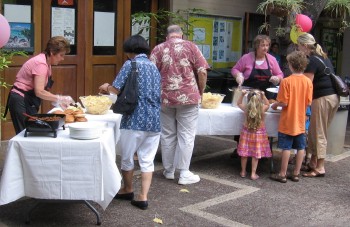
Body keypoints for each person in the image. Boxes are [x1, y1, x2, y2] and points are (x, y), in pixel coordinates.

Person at [99, 35, 161, 210]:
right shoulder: (154, 67)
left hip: (133, 119)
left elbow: (115, 89)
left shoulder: (130, 64)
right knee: (147, 160)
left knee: (127, 158)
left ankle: (127, 189)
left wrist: (105, 87)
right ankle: (143, 196)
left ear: (129, 51)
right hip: (154, 121)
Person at [150, 25, 209, 185]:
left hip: (165, 98)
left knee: (167, 134)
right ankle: (184, 173)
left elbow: (151, 75)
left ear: (167, 35)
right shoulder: (191, 46)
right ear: (181, 35)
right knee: (186, 135)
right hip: (188, 97)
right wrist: (201, 91)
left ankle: (168, 170)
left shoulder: (158, 49)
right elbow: (202, 71)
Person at [4, 36, 74, 134]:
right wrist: (59, 98)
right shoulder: (40, 64)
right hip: (20, 100)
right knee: (26, 134)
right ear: (52, 52)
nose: (62, 58)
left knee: (33, 133)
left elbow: (42, 90)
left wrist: (57, 101)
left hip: (29, 101)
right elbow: (39, 91)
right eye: (61, 55)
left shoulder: (46, 62)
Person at [231, 35, 284, 156]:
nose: (265, 48)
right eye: (262, 45)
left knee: (263, 124)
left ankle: (262, 148)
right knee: (244, 122)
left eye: (267, 45)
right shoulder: (247, 58)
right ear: (256, 46)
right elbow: (235, 69)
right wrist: (239, 75)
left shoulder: (271, 59)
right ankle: (241, 147)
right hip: (248, 97)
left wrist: (277, 78)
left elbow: (280, 74)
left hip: (265, 97)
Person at [297, 33, 340, 178]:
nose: (298, 49)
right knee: (317, 130)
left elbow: (307, 84)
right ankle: (313, 163)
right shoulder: (323, 57)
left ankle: (320, 167)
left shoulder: (312, 61)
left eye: (298, 46)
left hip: (322, 98)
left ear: (304, 46)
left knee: (319, 132)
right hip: (333, 98)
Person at [270, 51, 313, 183]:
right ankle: (296, 173)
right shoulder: (307, 82)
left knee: (286, 147)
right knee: (300, 148)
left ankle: (282, 173)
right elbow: (308, 102)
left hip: (288, 121)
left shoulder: (286, 81)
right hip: (300, 120)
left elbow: (284, 102)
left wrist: (275, 105)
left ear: (290, 65)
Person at [236, 89, 271, 180]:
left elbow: (238, 103)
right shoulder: (262, 108)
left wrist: (242, 94)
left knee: (244, 153)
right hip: (258, 134)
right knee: (256, 154)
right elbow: (268, 104)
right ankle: (253, 173)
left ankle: (243, 171)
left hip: (246, 133)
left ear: (248, 99)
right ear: (260, 100)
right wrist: (264, 96)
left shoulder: (246, 108)